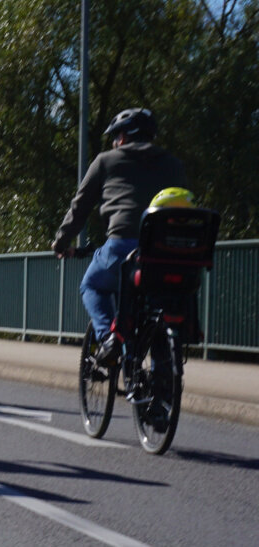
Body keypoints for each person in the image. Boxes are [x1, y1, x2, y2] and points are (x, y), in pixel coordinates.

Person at [51, 108, 186, 365]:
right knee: (157, 307)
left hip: (123, 245)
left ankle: (108, 340)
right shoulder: (174, 164)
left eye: (115, 137)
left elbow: (79, 208)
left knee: (92, 286)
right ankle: (161, 391)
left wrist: (61, 241)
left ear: (123, 137)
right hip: (168, 252)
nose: (114, 143)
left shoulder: (106, 160)